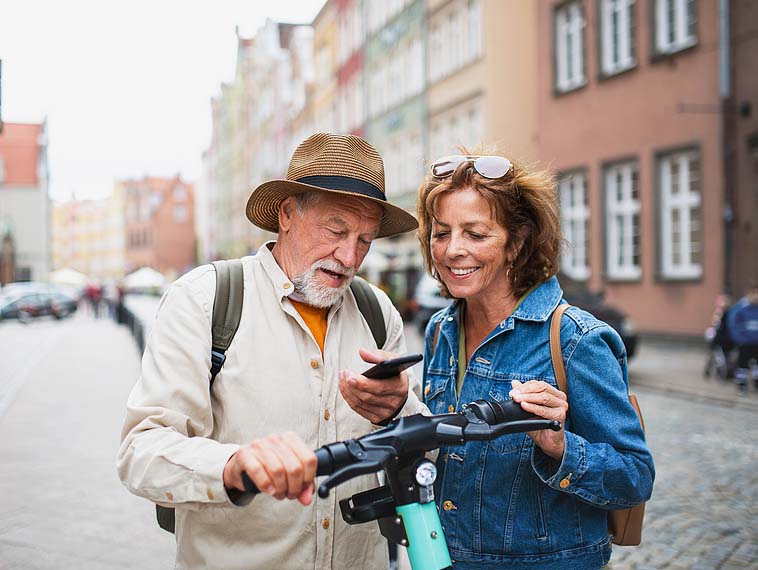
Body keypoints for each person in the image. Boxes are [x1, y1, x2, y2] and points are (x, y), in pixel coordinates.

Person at [118, 133, 427, 570]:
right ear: (286, 214)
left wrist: (399, 410)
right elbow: (140, 452)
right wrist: (232, 464)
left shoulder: (378, 312)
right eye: (336, 230)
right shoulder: (205, 300)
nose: (349, 255)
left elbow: (421, 456)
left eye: (365, 239)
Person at [415, 152, 655, 569]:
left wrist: (560, 446)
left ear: (517, 242)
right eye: (441, 233)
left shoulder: (575, 340)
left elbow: (634, 475)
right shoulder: (440, 330)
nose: (453, 250)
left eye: (475, 234)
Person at [725, 283, 758, 392]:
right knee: (742, 364)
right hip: (744, 342)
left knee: (756, 364)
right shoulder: (740, 308)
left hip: (756, 342)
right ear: (750, 294)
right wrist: (739, 338)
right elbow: (733, 324)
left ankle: (756, 380)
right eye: (755, 293)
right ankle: (741, 382)